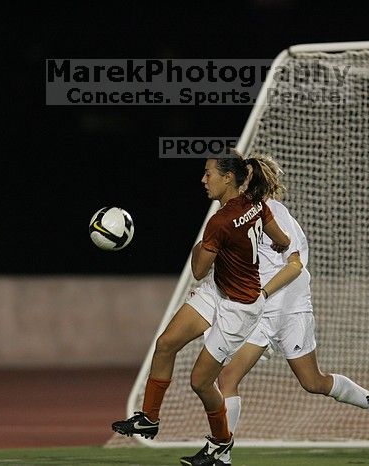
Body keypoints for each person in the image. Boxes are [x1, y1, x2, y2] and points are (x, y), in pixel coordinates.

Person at [210, 155, 369, 466]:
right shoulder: (238, 217)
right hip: (259, 312)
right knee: (227, 378)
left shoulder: (274, 213)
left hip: (289, 307)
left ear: (245, 182)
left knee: (313, 382)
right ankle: (222, 454)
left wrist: (262, 293)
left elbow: (295, 265)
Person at [112, 155, 291, 466]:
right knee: (166, 344)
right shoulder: (256, 204)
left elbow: (197, 270)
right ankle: (149, 419)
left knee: (200, 381)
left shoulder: (219, 222)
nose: (203, 180)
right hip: (218, 290)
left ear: (227, 179)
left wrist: (201, 244)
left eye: (208, 174)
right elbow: (282, 240)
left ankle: (221, 444)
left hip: (240, 308)